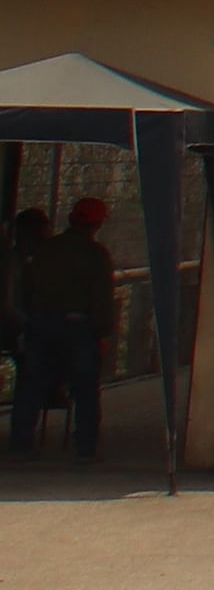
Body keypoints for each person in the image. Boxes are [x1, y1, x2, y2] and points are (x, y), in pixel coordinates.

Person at [9, 199, 118, 465]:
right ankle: (85, 448)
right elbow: (101, 299)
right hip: (79, 328)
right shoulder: (96, 255)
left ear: (71, 218)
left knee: (31, 386)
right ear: (97, 223)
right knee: (85, 388)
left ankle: (21, 445)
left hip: (41, 325)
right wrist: (102, 332)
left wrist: (32, 319)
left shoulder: (44, 251)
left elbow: (24, 289)